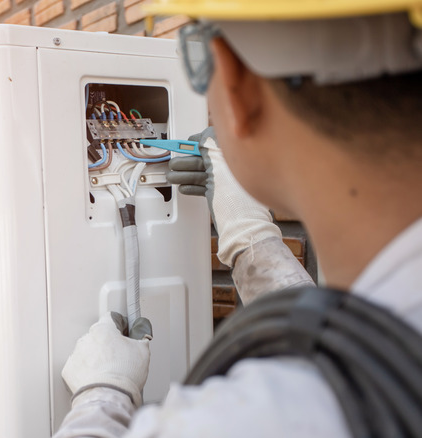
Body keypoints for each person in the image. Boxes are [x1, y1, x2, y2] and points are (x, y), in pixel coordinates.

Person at [55, 1, 422, 436]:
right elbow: (355, 336)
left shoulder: (249, 418)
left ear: (235, 85)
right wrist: (250, 239)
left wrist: (102, 393)